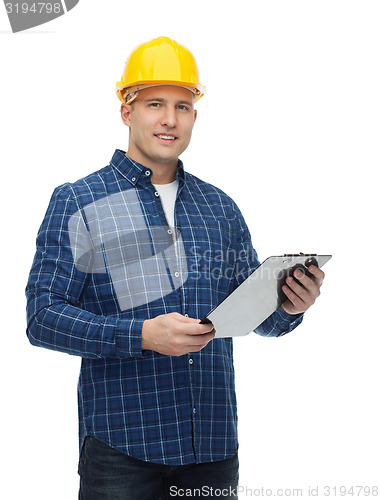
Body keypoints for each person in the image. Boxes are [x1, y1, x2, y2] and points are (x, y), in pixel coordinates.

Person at [26, 37, 325, 499]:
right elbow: (43, 318)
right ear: (126, 111)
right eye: (155, 104)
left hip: (212, 447)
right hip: (120, 449)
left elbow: (256, 317)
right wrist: (141, 335)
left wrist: (289, 306)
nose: (170, 119)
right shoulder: (79, 202)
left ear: (194, 117)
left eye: (183, 106)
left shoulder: (219, 208)